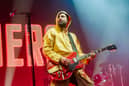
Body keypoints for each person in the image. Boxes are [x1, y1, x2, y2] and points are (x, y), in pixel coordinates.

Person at [43, 10, 96, 86]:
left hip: (75, 68)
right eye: (58, 17)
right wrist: (61, 59)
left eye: (62, 16)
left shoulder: (72, 36)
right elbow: (47, 50)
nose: (60, 18)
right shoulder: (51, 32)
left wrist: (88, 57)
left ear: (68, 20)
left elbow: (78, 54)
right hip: (60, 68)